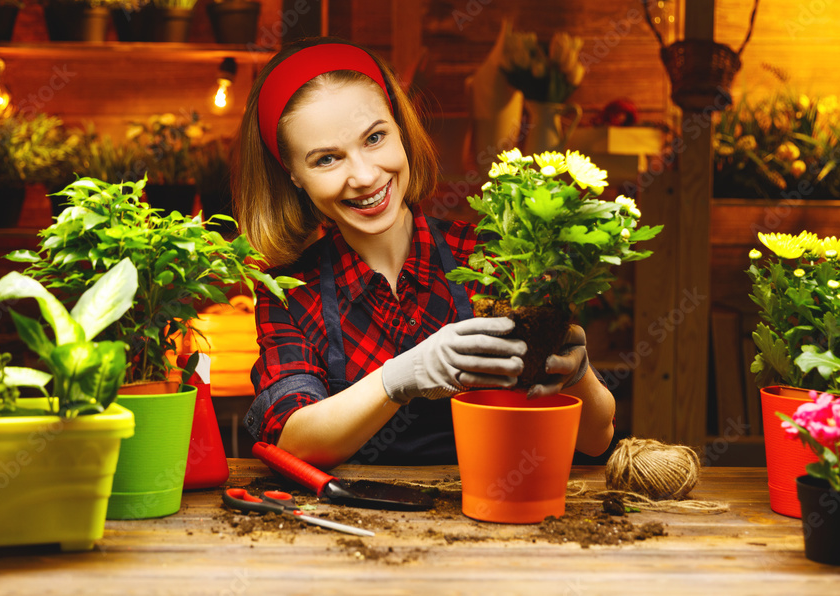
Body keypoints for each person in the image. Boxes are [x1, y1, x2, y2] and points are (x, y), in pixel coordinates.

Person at [233, 37, 615, 468]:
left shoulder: (491, 258)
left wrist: (578, 376)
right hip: (360, 525)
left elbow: (596, 439)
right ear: (293, 176)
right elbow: (293, 441)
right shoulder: (289, 292)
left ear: (400, 129)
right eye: (326, 160)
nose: (364, 175)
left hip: (498, 510)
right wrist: (402, 377)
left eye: (375, 138)